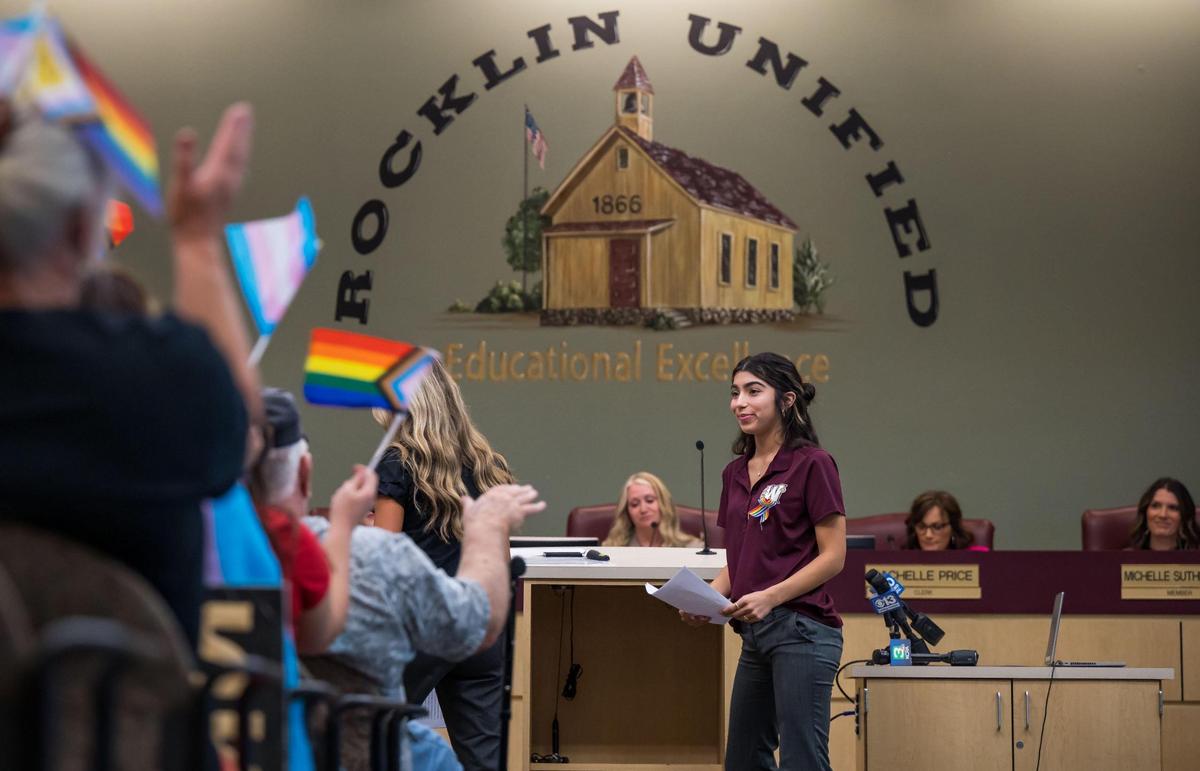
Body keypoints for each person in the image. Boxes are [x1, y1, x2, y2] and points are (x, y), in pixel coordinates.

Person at [0, 100, 261, 646]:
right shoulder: (154, 384)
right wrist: (196, 245)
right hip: (116, 728)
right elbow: (238, 431)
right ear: (78, 229)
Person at [303, 483, 545, 771]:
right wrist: (486, 529)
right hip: (367, 741)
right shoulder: (377, 554)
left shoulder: (257, 555)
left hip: (296, 735)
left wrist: (345, 527)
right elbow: (476, 623)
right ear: (304, 473)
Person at [680, 352, 846, 771]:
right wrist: (706, 598)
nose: (740, 402)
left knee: (801, 760)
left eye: (754, 391)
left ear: (787, 400)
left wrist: (770, 596)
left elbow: (834, 557)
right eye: (735, 393)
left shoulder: (813, 464)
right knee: (743, 760)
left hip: (803, 631)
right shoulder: (734, 473)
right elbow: (742, 559)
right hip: (755, 635)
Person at [372, 358, 514, 771]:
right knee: (484, 759)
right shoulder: (489, 466)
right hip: (481, 624)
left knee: (379, 734)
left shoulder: (398, 464)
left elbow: (384, 558)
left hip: (422, 625)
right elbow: (499, 561)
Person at [250, 387, 375, 653]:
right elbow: (319, 634)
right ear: (304, 472)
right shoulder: (289, 540)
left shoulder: (204, 518)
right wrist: (342, 524)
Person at [602, 471, 700, 547]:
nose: (643, 509)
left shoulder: (691, 548)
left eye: (650, 500)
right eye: (635, 504)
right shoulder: (612, 549)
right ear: (627, 512)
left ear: (664, 504)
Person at [1127, 478, 1199, 551]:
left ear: (1185, 515)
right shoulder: (1125, 558)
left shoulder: (1196, 558)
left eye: (1173, 508)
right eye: (1155, 506)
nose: (1163, 515)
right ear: (1145, 512)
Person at [904, 490, 977, 551]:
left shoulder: (978, 558)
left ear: (953, 527)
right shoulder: (900, 563)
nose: (928, 535)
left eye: (937, 527)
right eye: (922, 527)